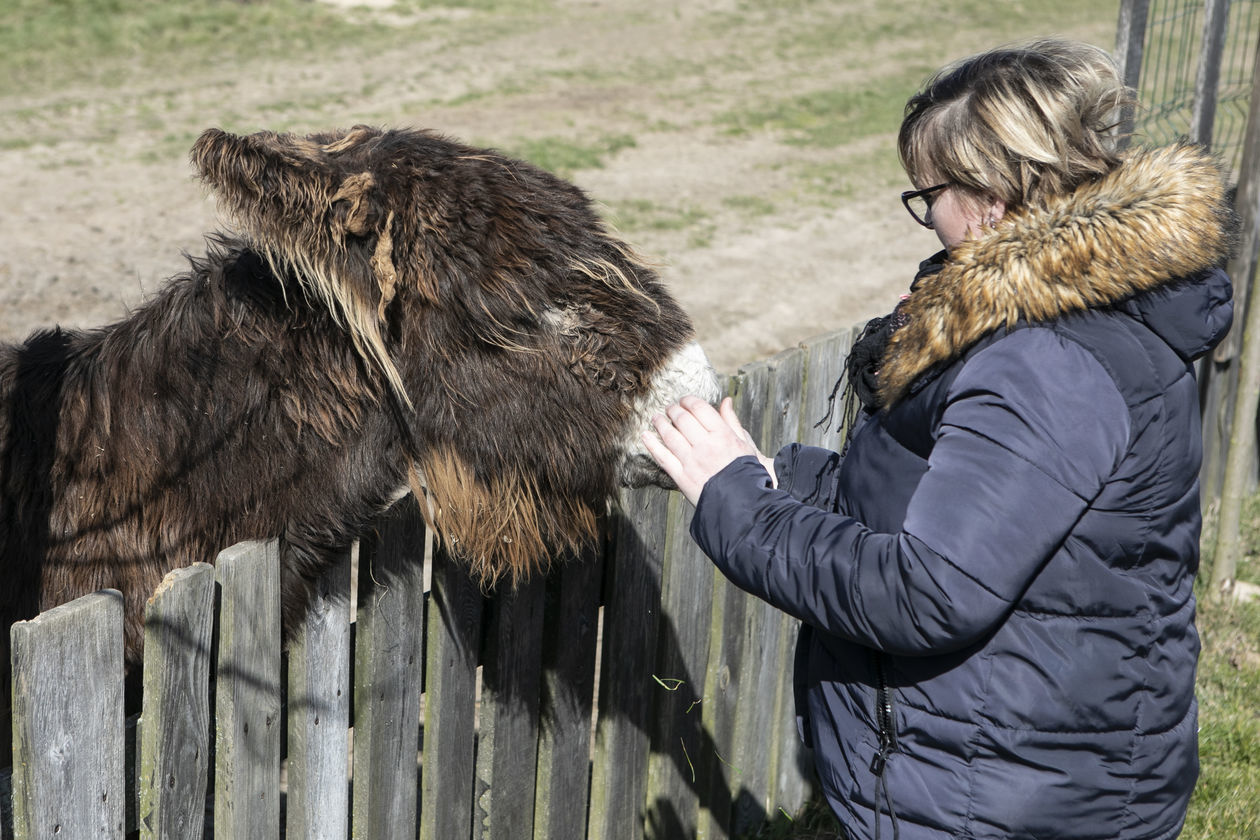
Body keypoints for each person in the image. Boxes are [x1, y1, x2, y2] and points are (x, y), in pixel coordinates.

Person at [643, 38, 1236, 840]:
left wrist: (741, 508)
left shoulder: (1046, 360)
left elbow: (927, 589)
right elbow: (946, 497)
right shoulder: (1069, 324)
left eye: (929, 196)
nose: (927, 220)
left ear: (991, 200)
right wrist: (773, 476)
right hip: (1016, 772)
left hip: (1003, 803)